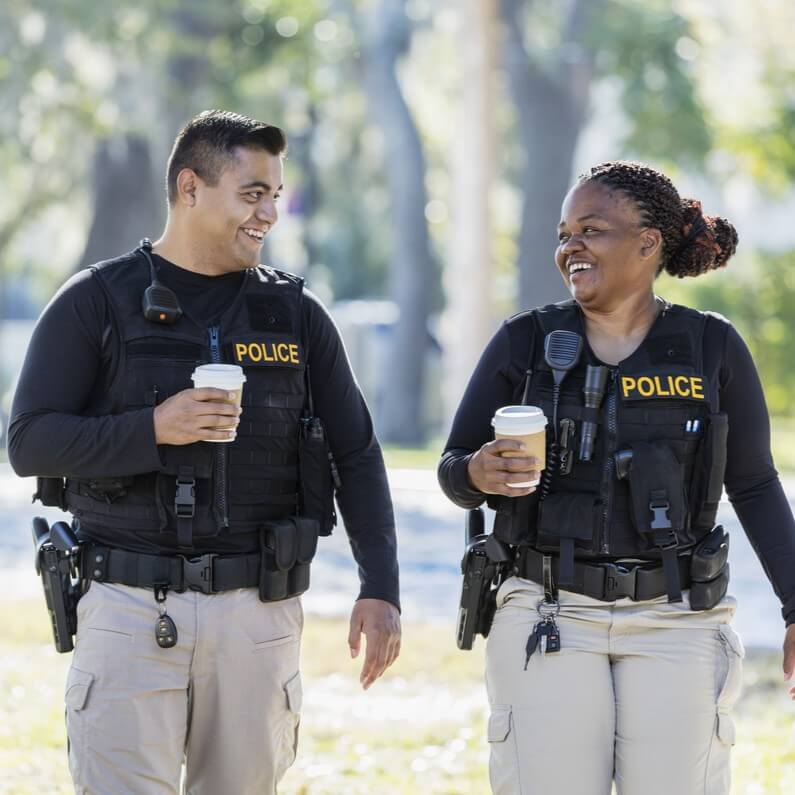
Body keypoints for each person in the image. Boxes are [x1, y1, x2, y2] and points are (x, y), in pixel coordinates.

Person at [8, 109, 401, 794]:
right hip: (127, 608)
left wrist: (382, 586)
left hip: (257, 613)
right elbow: (29, 440)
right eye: (253, 193)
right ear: (190, 187)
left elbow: (356, 455)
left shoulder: (297, 315)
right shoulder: (96, 301)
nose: (270, 213)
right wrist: (153, 427)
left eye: (276, 194)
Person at [438, 160, 795, 795]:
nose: (570, 246)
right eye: (563, 233)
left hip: (676, 617)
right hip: (548, 609)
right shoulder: (525, 343)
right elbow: (454, 466)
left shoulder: (711, 346)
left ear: (647, 242)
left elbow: (756, 485)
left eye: (591, 230)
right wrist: (478, 470)